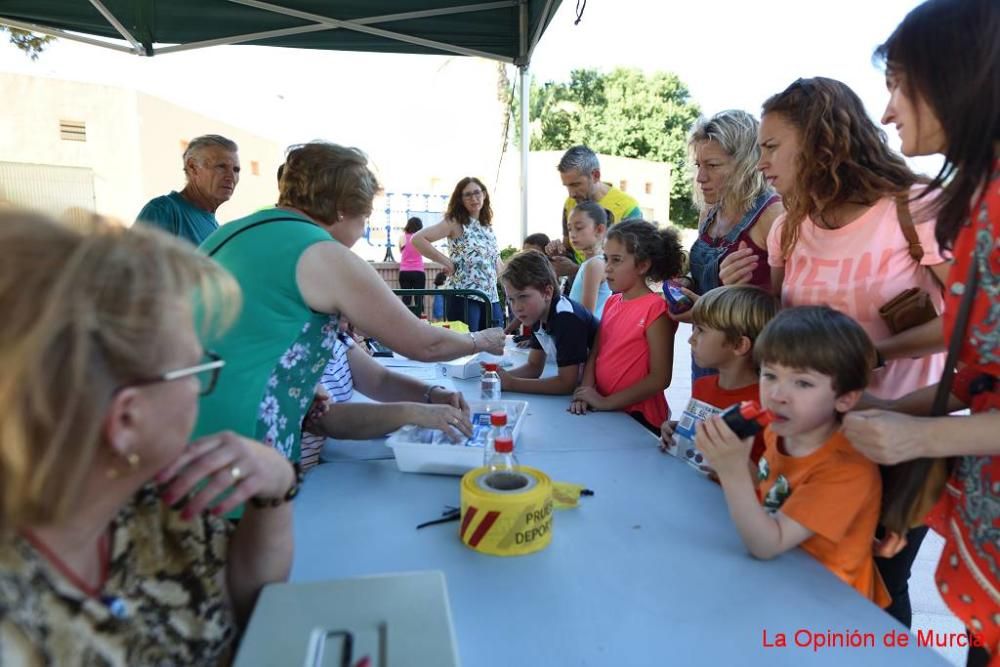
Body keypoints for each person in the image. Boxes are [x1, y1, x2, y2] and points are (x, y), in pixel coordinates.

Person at [0, 210, 296, 663]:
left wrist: (275, 487)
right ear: (126, 419)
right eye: (196, 369)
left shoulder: (148, 503)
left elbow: (246, 608)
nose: (202, 385)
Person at [758, 76, 953, 626]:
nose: (762, 163)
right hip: (814, 441)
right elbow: (781, 322)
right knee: (810, 576)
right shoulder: (787, 226)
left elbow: (974, 328)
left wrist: (874, 352)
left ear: (821, 139)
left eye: (772, 146)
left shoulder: (916, 206)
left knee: (878, 588)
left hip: (903, 433)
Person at [841, 1, 999, 662]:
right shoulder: (979, 197)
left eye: (899, 84)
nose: (886, 112)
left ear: (960, 76)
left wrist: (921, 433)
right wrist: (885, 407)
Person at [194, 143, 505, 468]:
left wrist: (428, 396)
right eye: (365, 216)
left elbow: (373, 377)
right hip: (238, 455)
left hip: (194, 433)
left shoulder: (238, 232)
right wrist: (479, 341)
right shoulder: (319, 251)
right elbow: (425, 344)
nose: (363, 230)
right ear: (343, 208)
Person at [698, 306, 890, 608]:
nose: (777, 394)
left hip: (829, 607)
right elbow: (770, 491)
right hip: (782, 578)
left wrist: (732, 470)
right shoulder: (781, 432)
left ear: (845, 398)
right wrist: (729, 458)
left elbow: (766, 544)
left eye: (803, 383)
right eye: (770, 375)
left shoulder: (846, 468)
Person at [676, 111, 784, 378]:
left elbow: (792, 306)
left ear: (746, 164)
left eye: (712, 165)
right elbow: (704, 279)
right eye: (698, 165)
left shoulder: (773, 216)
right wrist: (686, 286)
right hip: (704, 353)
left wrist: (742, 293)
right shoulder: (709, 212)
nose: (701, 177)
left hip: (745, 367)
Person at [569, 219, 684, 433]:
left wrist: (606, 402)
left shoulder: (656, 309)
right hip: (607, 410)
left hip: (640, 418)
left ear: (642, 265)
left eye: (617, 260)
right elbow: (596, 353)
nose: (608, 268)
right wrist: (585, 392)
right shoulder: (613, 301)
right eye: (606, 259)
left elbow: (660, 378)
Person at [299, 332, 472, 470]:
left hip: (331, 467)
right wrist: (414, 413)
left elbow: (380, 380)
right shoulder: (290, 348)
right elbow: (322, 418)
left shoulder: (336, 338)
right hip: (300, 485)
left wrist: (432, 393)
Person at [659, 285, 779, 466]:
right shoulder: (703, 385)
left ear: (738, 345)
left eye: (701, 330)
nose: (691, 339)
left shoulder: (766, 406)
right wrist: (678, 430)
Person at [495, 250, 599, 395]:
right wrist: (496, 376)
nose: (517, 307)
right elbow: (534, 367)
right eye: (511, 299)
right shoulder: (538, 314)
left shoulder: (566, 318)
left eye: (523, 296)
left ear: (547, 292)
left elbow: (567, 383)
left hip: (604, 387)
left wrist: (512, 383)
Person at [410, 177, 503, 331]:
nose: (474, 198)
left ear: (484, 194)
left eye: (477, 193)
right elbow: (418, 239)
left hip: (491, 299)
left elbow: (498, 264)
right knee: (468, 348)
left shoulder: (487, 227)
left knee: (494, 346)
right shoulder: (455, 222)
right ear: (460, 199)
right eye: (468, 195)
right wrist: (446, 261)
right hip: (464, 297)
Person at [547, 145, 642, 287]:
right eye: (567, 186)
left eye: (576, 184)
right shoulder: (570, 204)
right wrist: (557, 251)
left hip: (612, 297)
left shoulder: (627, 208)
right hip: (577, 289)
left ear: (596, 175)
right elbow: (568, 246)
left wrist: (575, 269)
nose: (571, 193)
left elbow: (630, 265)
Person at [136, 134, 240, 245]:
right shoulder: (163, 211)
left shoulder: (216, 229)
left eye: (236, 169)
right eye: (221, 166)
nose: (231, 177)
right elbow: (132, 261)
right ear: (193, 167)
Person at [567, 201, 612, 319]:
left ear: (599, 229)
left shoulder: (595, 265)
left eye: (579, 228)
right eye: (570, 229)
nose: (572, 234)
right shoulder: (590, 263)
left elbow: (586, 317)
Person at [397, 216, 427, 316]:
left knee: (406, 299)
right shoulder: (421, 238)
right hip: (418, 272)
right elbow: (425, 252)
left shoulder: (402, 237)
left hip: (404, 272)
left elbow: (401, 251)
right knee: (419, 299)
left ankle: (405, 322)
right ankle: (421, 321)